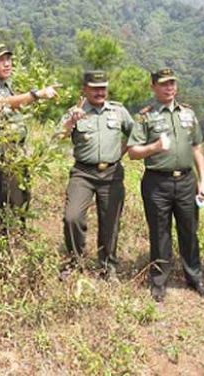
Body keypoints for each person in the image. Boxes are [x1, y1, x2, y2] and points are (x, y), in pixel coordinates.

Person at [127, 68, 204, 302]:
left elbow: (197, 147)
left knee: (189, 230)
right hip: (157, 182)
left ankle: (194, 278)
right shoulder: (145, 116)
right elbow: (133, 152)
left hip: (186, 181)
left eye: (172, 83)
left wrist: (203, 180)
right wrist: (154, 148)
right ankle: (159, 280)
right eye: (164, 84)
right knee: (159, 232)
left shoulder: (188, 113)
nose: (169, 88)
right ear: (153, 87)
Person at [0, 43, 59, 234]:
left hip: (17, 148)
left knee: (22, 195)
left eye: (8, 59)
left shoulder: (5, 84)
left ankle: (18, 235)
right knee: (9, 197)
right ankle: (8, 241)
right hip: (2, 150)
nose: (7, 64)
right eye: (1, 60)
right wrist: (36, 95)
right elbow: (1, 104)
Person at [58, 70, 134, 281]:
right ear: (85, 89)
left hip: (111, 173)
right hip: (83, 173)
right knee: (71, 217)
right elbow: (58, 137)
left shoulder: (118, 111)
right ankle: (75, 262)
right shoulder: (76, 111)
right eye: (95, 88)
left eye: (103, 88)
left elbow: (135, 133)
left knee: (110, 221)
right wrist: (70, 122)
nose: (100, 92)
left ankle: (107, 267)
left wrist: (121, 151)